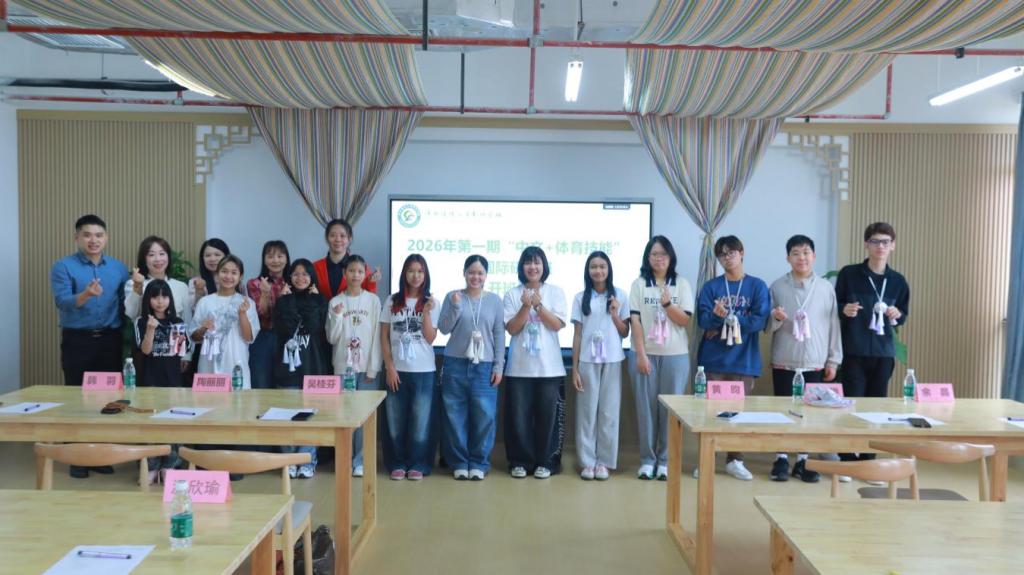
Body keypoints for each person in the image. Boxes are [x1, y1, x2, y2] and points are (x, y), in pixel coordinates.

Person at [50, 214, 129, 478]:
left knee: (107, 398)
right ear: (77, 237)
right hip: (78, 340)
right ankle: (77, 458)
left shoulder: (118, 268)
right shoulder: (63, 266)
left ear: (106, 238)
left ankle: (99, 454)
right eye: (87, 235)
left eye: (98, 235)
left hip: (109, 339)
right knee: (77, 397)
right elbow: (62, 301)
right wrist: (86, 294)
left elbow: (126, 304)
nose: (93, 240)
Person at [766, 235, 843, 483]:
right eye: (796, 253)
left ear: (814, 256)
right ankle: (780, 458)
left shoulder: (826, 288)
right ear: (788, 257)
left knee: (809, 413)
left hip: (814, 360)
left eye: (806, 252)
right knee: (783, 411)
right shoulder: (777, 287)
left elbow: (834, 326)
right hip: (784, 359)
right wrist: (776, 318)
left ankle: (802, 461)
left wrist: (833, 360)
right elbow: (767, 327)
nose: (802, 257)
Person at [696, 235, 770, 481]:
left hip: (743, 361)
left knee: (737, 414)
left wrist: (727, 321)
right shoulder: (711, 287)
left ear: (742, 252)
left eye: (731, 252)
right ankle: (706, 458)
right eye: (722, 254)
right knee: (710, 413)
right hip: (713, 360)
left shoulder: (757, 286)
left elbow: (759, 320)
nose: (727, 258)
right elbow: (703, 321)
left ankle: (735, 460)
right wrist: (715, 318)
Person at [835, 222, 910, 463]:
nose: (880, 247)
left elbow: (903, 316)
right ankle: (847, 457)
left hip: (883, 352)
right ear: (866, 244)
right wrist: (843, 309)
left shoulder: (898, 281)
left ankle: (869, 458)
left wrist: (897, 314)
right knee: (852, 404)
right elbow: (834, 305)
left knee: (876, 407)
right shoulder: (849, 274)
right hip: (854, 350)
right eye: (875, 241)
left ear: (893, 246)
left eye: (885, 242)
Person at [628, 236, 694, 481]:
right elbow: (635, 321)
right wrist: (641, 354)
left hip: (675, 356)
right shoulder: (639, 284)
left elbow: (684, 320)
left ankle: (665, 461)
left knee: (670, 410)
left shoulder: (681, 284)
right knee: (645, 410)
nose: (659, 258)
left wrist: (667, 305)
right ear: (648, 257)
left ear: (671, 257)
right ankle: (647, 460)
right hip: (644, 355)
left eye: (663, 254)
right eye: (654, 254)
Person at [438, 255, 505, 480]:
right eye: (471, 272)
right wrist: (456, 307)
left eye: (480, 273)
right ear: (464, 273)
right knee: (454, 414)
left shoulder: (494, 300)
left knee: (485, 415)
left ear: (486, 276)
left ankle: (479, 462)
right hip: (455, 363)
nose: (475, 277)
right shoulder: (453, 296)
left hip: (484, 365)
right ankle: (459, 462)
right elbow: (444, 328)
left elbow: (498, 334)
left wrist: (499, 366)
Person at [503, 246, 567, 479]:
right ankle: (519, 462)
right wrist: (525, 305)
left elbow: (556, 325)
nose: (532, 267)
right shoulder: (512, 294)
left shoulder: (555, 292)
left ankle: (546, 462)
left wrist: (538, 305)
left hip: (550, 368)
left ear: (544, 266)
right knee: (518, 419)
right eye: (528, 263)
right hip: (519, 368)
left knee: (548, 419)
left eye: (537, 262)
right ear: (522, 267)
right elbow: (512, 328)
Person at [380, 254, 440, 481]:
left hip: (424, 371)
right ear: (404, 273)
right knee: (394, 420)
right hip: (397, 370)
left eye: (420, 271)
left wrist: (426, 313)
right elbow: (384, 336)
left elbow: (431, 338)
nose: (416, 275)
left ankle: (418, 463)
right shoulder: (392, 300)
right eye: (411, 270)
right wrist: (389, 366)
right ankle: (396, 463)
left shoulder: (432, 302)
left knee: (420, 421)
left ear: (426, 275)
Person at [571, 251, 629, 481]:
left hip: (612, 360)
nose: (598, 271)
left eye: (602, 266)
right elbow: (577, 335)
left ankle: (604, 462)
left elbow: (624, 332)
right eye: (593, 267)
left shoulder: (620, 295)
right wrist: (575, 368)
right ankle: (587, 462)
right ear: (588, 271)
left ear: (609, 269)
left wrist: (614, 313)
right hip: (587, 361)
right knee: (586, 413)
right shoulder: (579, 298)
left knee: (608, 412)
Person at [273, 259, 330, 479]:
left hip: (311, 365)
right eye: (296, 274)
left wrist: (313, 301)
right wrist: (287, 301)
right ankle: (288, 460)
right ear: (290, 277)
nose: (300, 278)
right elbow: (285, 327)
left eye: (305, 274)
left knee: (309, 417)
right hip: (286, 368)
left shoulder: (320, 300)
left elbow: (315, 326)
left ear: (312, 277)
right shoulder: (282, 301)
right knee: (286, 416)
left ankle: (307, 460)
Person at [326, 255, 382, 477]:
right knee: (344, 415)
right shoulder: (335, 301)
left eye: (360, 271)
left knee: (365, 415)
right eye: (351, 271)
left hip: (367, 368)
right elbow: (332, 338)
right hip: (343, 367)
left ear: (365, 274)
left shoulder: (373, 301)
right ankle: (344, 459)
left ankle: (361, 461)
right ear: (344, 273)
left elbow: (377, 336)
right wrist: (337, 316)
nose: (355, 275)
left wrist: (374, 368)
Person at [135, 279, 190, 483]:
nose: (160, 301)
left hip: (173, 380)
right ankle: (152, 465)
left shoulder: (177, 321)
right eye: (155, 297)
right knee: (151, 425)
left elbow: (183, 351)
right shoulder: (141, 322)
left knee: (173, 424)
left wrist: (181, 342)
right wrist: (151, 329)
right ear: (148, 300)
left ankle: (170, 465)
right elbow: (145, 350)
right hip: (149, 380)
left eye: (164, 296)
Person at [124, 236, 193, 379]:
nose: (158, 259)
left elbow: (186, 320)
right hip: (146, 354)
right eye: (151, 255)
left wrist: (187, 355)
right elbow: (131, 313)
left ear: (168, 257)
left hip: (172, 356)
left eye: (162, 254)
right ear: (144, 259)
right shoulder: (134, 283)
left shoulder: (181, 286)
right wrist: (137, 287)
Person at [190, 255, 259, 388]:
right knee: (207, 401)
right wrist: (203, 328)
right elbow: (194, 337)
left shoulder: (247, 302)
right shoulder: (205, 302)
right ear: (217, 273)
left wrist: (242, 314)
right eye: (224, 271)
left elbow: (249, 338)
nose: (228, 276)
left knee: (238, 401)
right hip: (208, 368)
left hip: (236, 366)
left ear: (240, 276)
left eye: (234, 273)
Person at [185, 238, 230, 385]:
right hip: (204, 343)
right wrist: (199, 292)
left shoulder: (235, 282)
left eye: (217, 254)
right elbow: (193, 314)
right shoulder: (195, 282)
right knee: (207, 386)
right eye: (208, 255)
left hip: (229, 343)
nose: (212, 259)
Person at [247, 240, 290, 390]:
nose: (275, 260)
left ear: (286, 259)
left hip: (288, 338)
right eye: (270, 256)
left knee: (286, 385)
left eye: (280, 256)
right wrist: (265, 293)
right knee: (261, 382)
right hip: (263, 337)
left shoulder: (293, 282)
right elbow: (262, 314)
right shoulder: (254, 283)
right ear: (264, 260)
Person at [313, 218, 380, 299]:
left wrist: (372, 282)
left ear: (349, 239)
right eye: (333, 235)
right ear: (327, 238)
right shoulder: (315, 267)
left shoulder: (361, 267)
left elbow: (370, 299)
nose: (338, 239)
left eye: (342, 236)